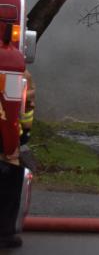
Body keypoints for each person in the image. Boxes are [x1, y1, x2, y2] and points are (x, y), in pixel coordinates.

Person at [0, 70, 34, 249]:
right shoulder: (18, 72)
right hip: (7, 144)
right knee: (10, 183)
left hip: (8, 141)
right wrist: (23, 137)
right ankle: (5, 233)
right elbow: (26, 109)